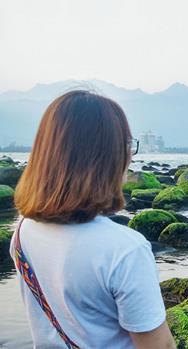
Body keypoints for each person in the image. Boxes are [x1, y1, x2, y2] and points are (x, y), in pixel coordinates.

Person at [10, 90, 176, 348]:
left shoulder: (23, 231)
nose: (130, 155)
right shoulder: (126, 250)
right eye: (127, 145)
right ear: (108, 156)